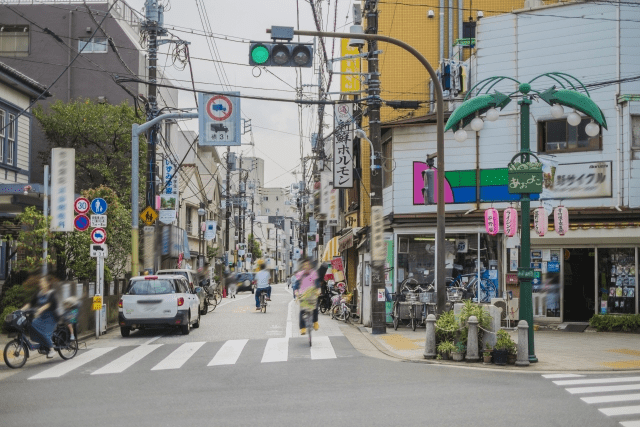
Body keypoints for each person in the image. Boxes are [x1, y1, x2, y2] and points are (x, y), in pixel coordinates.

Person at [22, 276, 59, 358]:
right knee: (30, 324)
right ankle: (42, 344)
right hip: (42, 317)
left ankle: (51, 349)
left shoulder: (51, 293)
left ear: (47, 283)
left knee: (44, 332)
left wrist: (41, 309)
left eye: (42, 282)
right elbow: (30, 303)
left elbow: (49, 304)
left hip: (51, 318)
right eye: (40, 282)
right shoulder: (39, 293)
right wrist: (20, 310)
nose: (41, 284)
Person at [294, 258, 320, 335]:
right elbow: (296, 284)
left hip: (312, 294)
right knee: (302, 311)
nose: (306, 266)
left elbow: (317, 283)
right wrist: (296, 292)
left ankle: (315, 321)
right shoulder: (300, 274)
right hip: (303, 294)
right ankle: (302, 328)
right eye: (304, 265)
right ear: (302, 266)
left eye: (308, 264)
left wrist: (318, 289)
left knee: (315, 307)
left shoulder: (313, 273)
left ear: (310, 265)